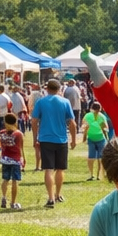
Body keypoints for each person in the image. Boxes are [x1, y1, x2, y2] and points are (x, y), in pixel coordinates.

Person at [31, 78, 77, 209]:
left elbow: (34, 121)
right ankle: (58, 194)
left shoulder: (41, 102)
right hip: (61, 139)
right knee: (60, 169)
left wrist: (35, 138)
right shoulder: (65, 102)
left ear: (47, 88)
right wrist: (73, 139)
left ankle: (50, 197)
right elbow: (72, 123)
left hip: (45, 138)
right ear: (59, 89)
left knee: (48, 169)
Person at [0, 112, 26, 210]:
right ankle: (13, 202)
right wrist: (23, 159)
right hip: (15, 159)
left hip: (5, 159)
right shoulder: (18, 134)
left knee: (5, 179)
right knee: (14, 181)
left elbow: (0, 145)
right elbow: (21, 148)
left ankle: (4, 197)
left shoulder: (2, 133)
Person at [81, 101, 110, 181]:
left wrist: (84, 136)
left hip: (91, 138)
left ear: (91, 108)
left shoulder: (87, 116)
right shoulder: (102, 116)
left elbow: (84, 126)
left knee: (91, 157)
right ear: (100, 109)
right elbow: (106, 129)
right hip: (100, 138)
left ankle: (91, 175)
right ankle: (99, 175)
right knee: (100, 158)